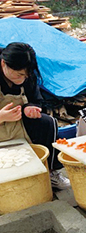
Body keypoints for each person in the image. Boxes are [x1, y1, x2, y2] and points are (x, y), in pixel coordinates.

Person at [0, 42, 69, 189]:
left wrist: (30, 108)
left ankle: (51, 172)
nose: (22, 79)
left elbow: (37, 101)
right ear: (3, 63)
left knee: (48, 123)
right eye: (19, 75)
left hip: (18, 121)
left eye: (25, 75)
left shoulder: (27, 75)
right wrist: (1, 116)